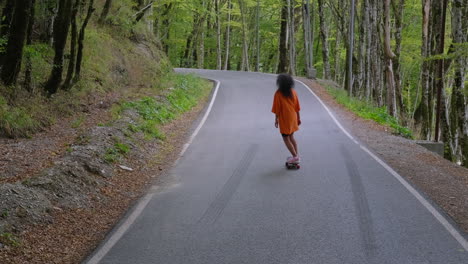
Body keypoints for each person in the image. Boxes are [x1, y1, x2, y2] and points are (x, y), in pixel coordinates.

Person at [271, 73, 301, 164]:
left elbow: (277, 109)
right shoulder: (293, 92)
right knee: (291, 136)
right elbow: (297, 107)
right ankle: (296, 155)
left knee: (285, 138)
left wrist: (276, 119)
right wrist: (298, 118)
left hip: (285, 118)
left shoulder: (278, 93)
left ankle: (295, 157)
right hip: (293, 117)